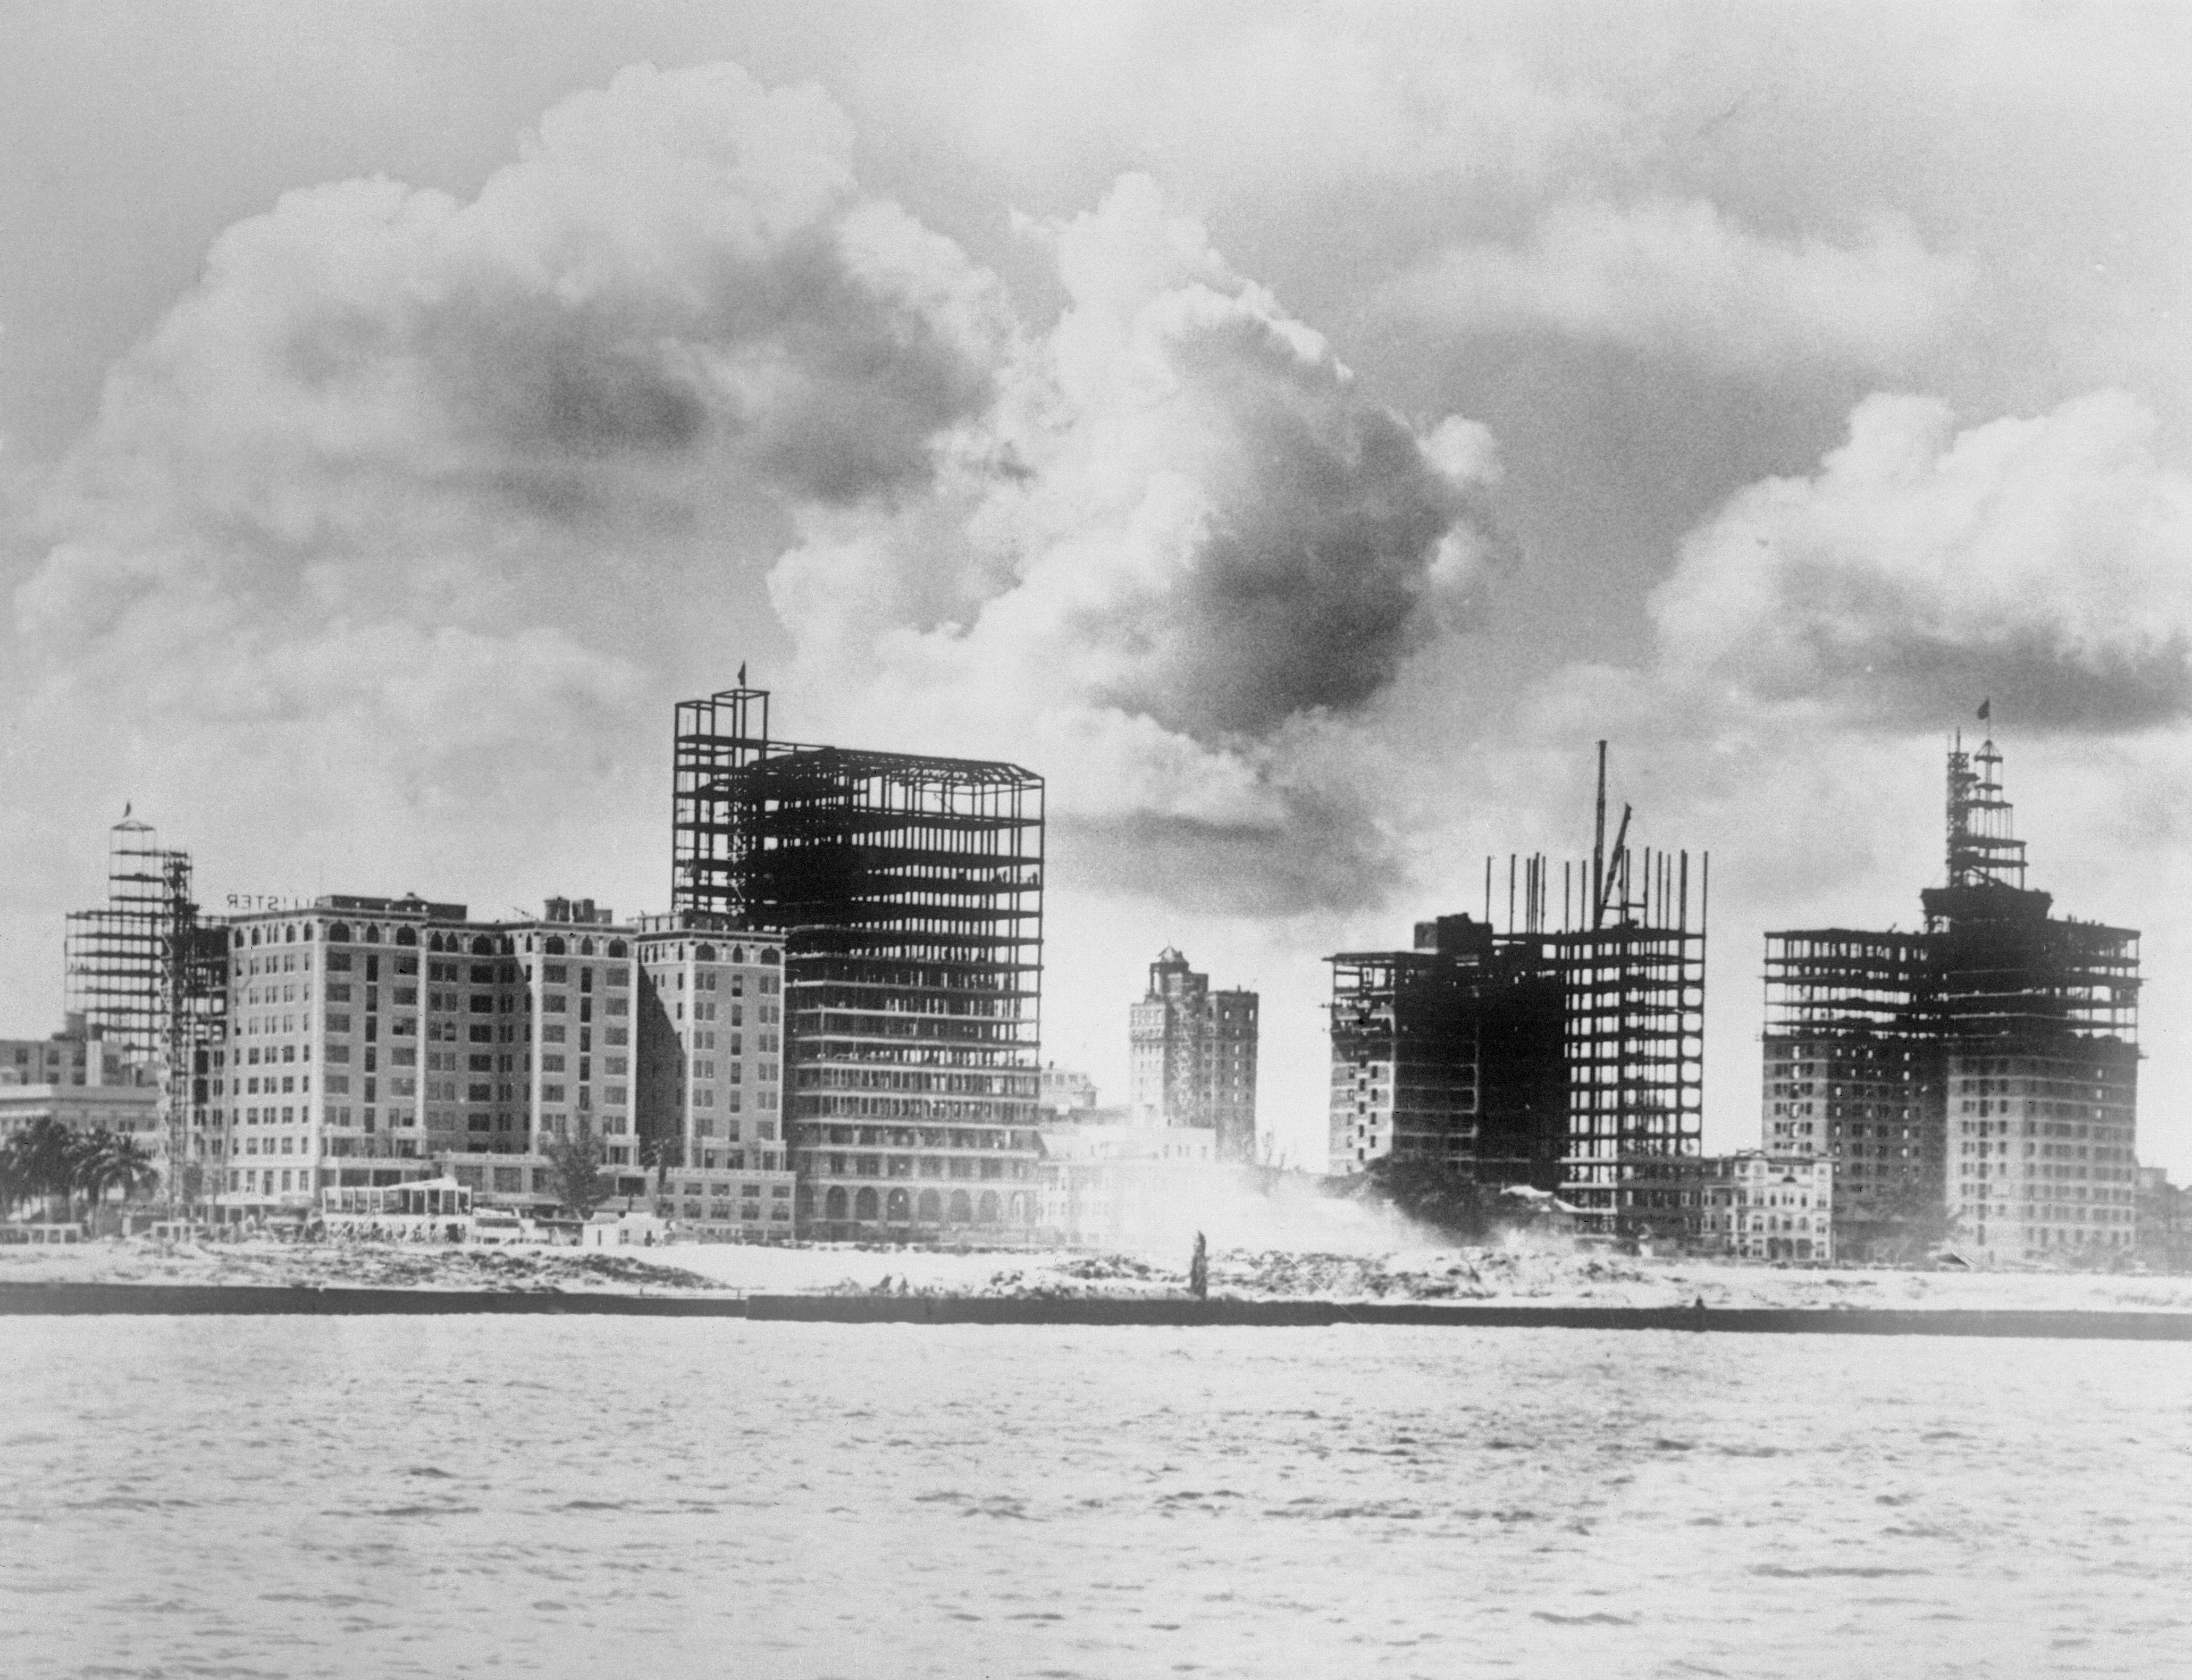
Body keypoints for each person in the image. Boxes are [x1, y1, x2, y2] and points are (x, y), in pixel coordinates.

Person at [1189, 1231, 1208, 1301]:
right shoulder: (1197, 1257)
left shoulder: (1199, 1257)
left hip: (1199, 1285)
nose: (1195, 1246)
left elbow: (1201, 1273)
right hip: (1198, 1284)